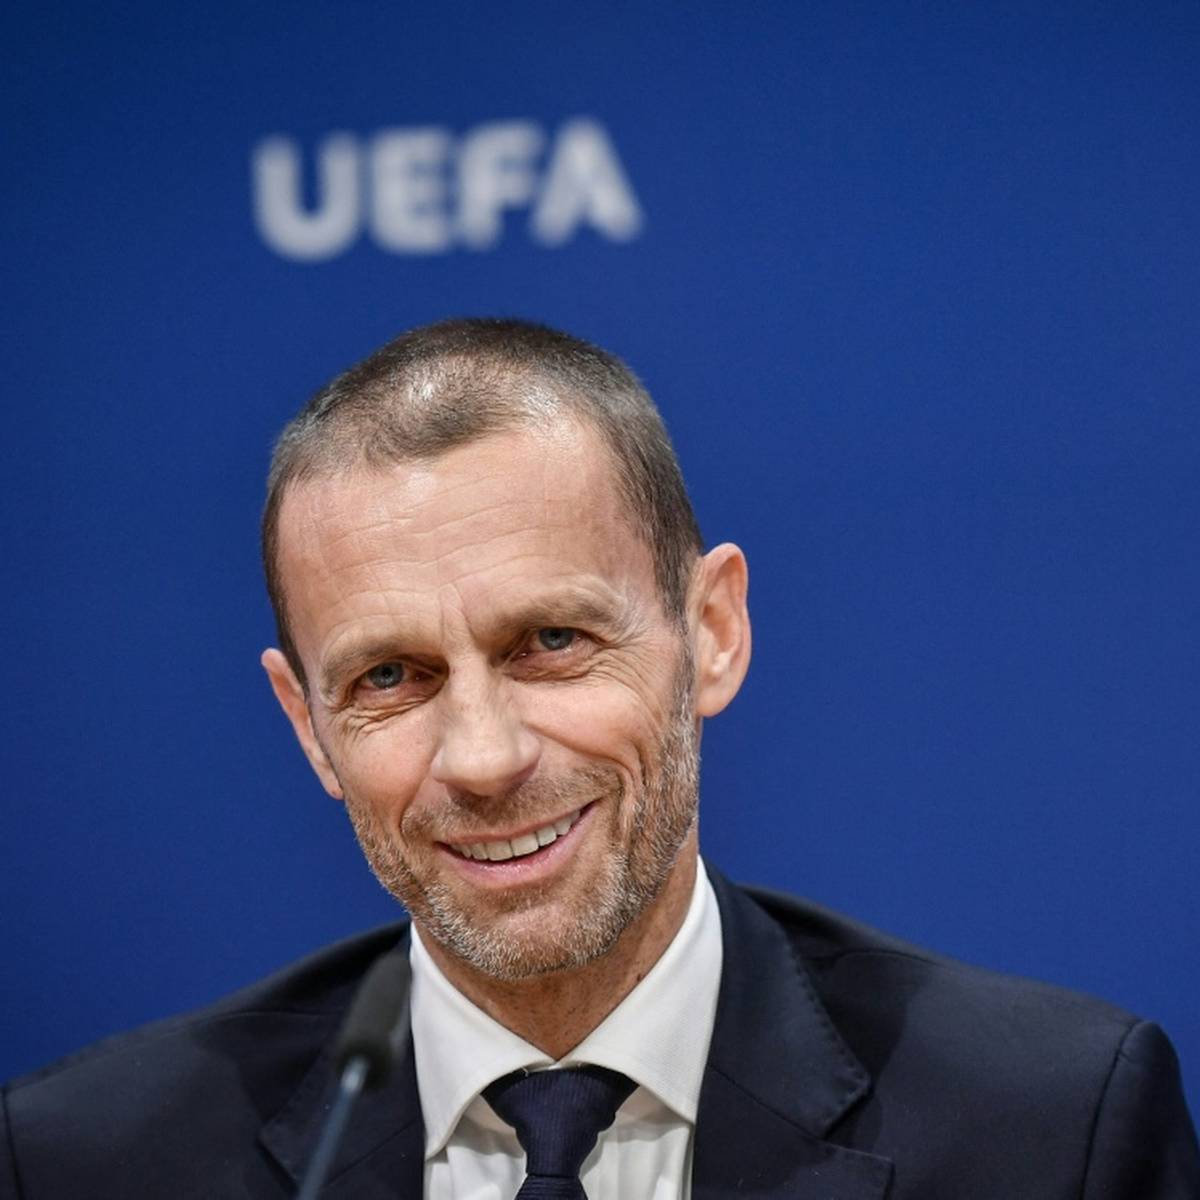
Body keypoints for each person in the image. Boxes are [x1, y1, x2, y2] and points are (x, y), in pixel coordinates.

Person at [2, 318, 1197, 1199]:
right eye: (390, 677)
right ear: (309, 726)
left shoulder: (1051, 1133)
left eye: (552, 643)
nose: (482, 758)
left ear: (712, 632)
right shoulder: (86, 1164)